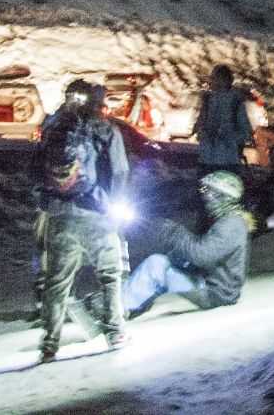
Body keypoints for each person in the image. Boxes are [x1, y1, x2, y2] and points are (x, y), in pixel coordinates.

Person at [35, 79, 130, 362]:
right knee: (110, 274)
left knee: (57, 282)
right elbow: (120, 173)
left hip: (60, 215)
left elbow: (35, 171)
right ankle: (115, 333)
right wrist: (115, 208)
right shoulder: (106, 131)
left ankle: (49, 344)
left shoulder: (55, 129)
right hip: (96, 214)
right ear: (98, 104)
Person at [124, 170, 253, 316]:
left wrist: (173, 232)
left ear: (222, 195)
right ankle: (133, 304)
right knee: (165, 261)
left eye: (208, 190)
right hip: (211, 286)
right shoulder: (226, 220)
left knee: (156, 265)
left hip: (215, 294)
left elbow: (202, 255)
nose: (204, 195)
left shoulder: (232, 224)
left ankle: (118, 309)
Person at [193, 64, 254, 171]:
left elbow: (245, 132)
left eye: (214, 77)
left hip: (227, 161)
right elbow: (200, 126)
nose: (211, 81)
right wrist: (202, 133)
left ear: (224, 79)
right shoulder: (207, 100)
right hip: (207, 160)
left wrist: (227, 138)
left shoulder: (236, 101)